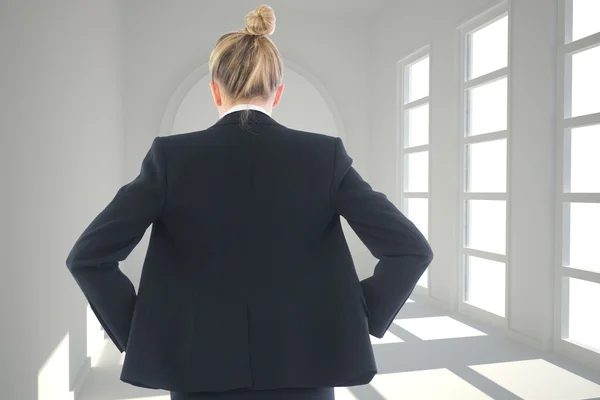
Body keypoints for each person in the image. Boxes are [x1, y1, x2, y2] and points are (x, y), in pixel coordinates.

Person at [65, 4, 433, 400]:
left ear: (214, 90)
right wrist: (354, 316)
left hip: (197, 372)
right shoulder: (324, 156)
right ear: (278, 92)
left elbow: (89, 258)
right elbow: (410, 250)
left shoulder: (171, 159)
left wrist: (141, 332)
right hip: (306, 365)